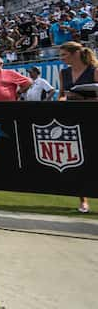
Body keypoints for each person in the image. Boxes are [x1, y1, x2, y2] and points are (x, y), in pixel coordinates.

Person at [57, 41, 98, 214]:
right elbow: (61, 95)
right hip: (73, 122)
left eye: (64, 55)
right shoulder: (63, 73)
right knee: (79, 161)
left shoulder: (94, 70)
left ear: (75, 54)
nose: (62, 59)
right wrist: (63, 100)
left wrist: (84, 99)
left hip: (94, 119)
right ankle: (83, 201)